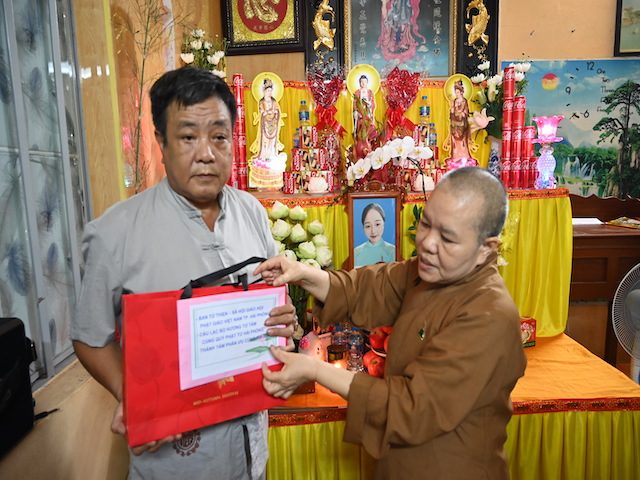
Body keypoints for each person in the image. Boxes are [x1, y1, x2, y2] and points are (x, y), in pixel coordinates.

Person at [71, 67, 296, 480]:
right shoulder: (116, 232)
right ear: (161, 142)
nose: (206, 153)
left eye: (219, 136)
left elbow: (269, 304)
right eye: (189, 137)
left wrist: (283, 320)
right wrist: (133, 396)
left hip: (252, 455)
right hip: (175, 463)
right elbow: (89, 337)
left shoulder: (252, 213)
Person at [255, 167, 527, 480]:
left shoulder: (488, 314)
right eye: (426, 223)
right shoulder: (433, 271)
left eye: (448, 238)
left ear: (486, 249)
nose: (427, 243)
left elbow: (413, 406)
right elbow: (371, 287)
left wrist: (315, 370)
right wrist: (302, 273)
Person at [446, 80, 478, 170]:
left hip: (462, 124)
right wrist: (452, 110)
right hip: (454, 124)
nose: (456, 94)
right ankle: (455, 156)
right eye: (455, 92)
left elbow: (466, 112)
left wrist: (460, 114)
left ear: (461, 92)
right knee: (454, 142)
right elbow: (452, 113)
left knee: (463, 142)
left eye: (457, 92)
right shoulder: (454, 101)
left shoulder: (464, 101)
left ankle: (464, 156)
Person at [353, 203, 395, 267]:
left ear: (383, 223)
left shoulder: (393, 251)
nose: (373, 231)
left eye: (377, 224)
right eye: (368, 226)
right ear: (363, 227)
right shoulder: (356, 253)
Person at [353, 74, 377, 160]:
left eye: (365, 82)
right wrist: (356, 111)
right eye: (362, 82)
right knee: (360, 133)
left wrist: (369, 105)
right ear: (359, 83)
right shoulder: (357, 92)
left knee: (369, 130)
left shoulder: (370, 92)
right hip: (360, 117)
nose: (363, 84)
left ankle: (369, 146)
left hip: (368, 116)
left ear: (367, 83)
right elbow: (355, 104)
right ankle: (360, 149)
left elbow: (373, 103)